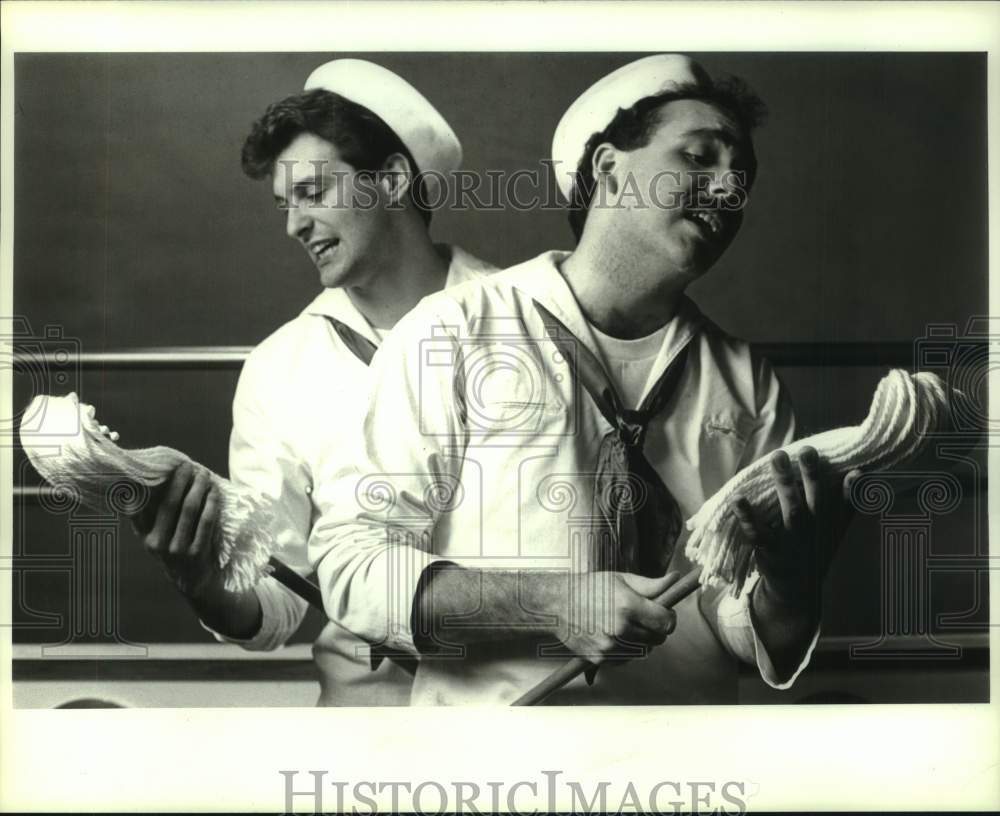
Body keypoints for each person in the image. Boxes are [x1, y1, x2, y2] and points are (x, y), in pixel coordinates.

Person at [307, 54, 860, 705]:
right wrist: (549, 604)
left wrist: (789, 588)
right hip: (491, 767)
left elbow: (739, 626)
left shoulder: (748, 385)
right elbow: (355, 565)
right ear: (608, 168)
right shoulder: (453, 330)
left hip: (681, 766)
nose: (728, 187)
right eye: (699, 157)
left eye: (743, 175)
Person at [131, 59, 495, 705]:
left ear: (391, 178)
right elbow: (272, 601)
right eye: (284, 203)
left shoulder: (531, 319)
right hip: (370, 729)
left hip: (536, 711)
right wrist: (201, 580)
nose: (293, 225)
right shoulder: (279, 369)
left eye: (314, 192)